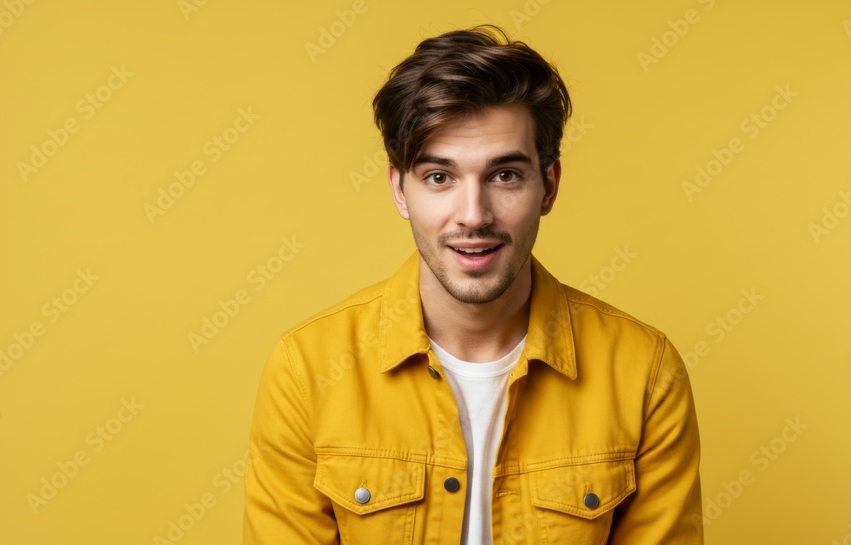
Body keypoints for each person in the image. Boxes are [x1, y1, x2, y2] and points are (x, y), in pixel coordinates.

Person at [243, 24, 703, 544]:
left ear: (548, 186)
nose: (473, 214)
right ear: (400, 191)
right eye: (439, 177)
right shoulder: (306, 369)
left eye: (504, 175)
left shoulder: (644, 373)